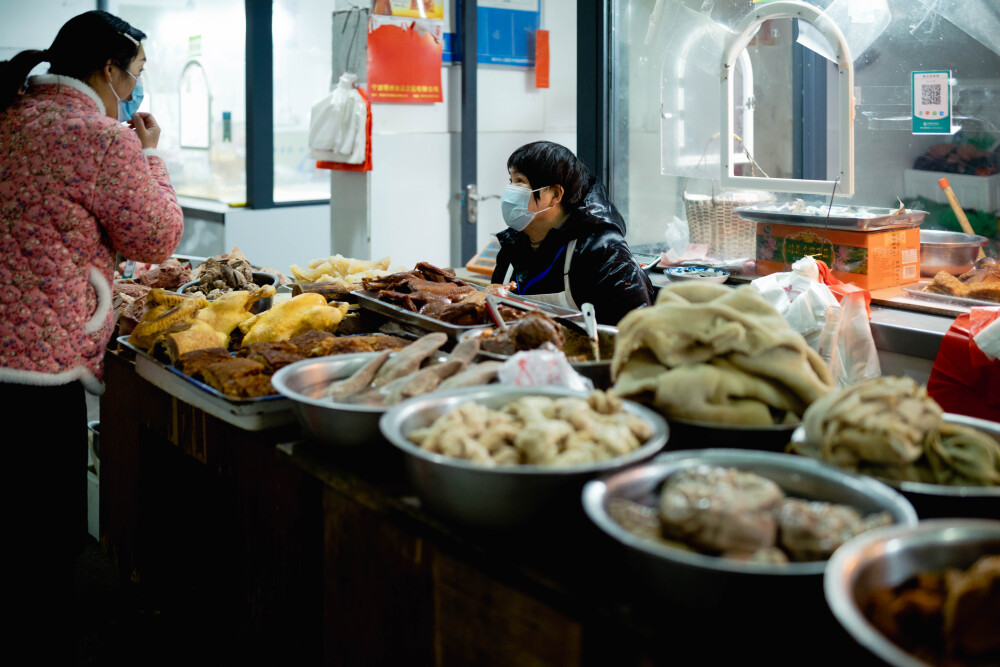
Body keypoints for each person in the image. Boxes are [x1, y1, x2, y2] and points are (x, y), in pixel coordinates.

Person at [0, 10, 183, 654]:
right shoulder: (98, 137)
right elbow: (157, 237)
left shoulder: (10, 112)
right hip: (38, 366)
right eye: (134, 76)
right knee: (44, 540)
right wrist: (150, 157)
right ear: (109, 70)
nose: (134, 91)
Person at [491, 141, 654, 325]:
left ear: (555, 194)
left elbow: (635, 333)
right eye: (511, 181)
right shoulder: (512, 247)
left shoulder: (604, 252)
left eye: (520, 181)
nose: (510, 191)